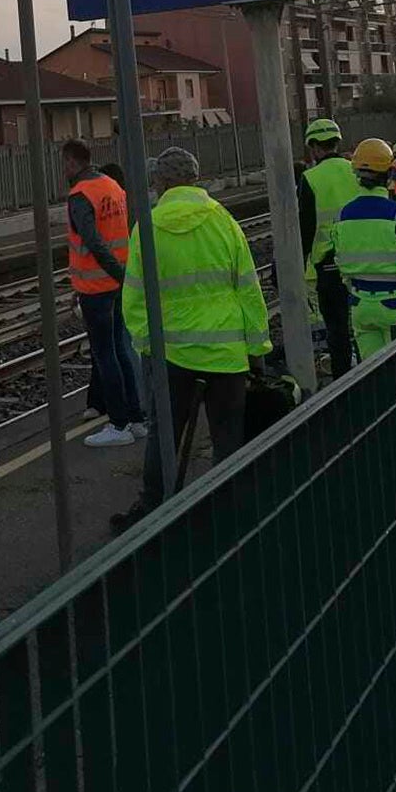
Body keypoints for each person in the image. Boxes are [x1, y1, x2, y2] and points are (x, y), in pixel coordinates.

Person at [112, 146, 270, 534]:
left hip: (172, 354)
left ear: (161, 182)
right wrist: (257, 349)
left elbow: (133, 297)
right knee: (227, 437)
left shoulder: (148, 227)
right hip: (227, 353)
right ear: (196, 178)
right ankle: (229, 516)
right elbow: (248, 289)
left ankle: (154, 508)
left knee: (165, 435)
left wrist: (149, 346)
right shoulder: (224, 221)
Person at [62, 139, 145, 447]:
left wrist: (115, 273)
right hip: (118, 284)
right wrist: (124, 276)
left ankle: (118, 424)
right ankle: (136, 420)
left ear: (72, 162)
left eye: (64, 163)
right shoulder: (112, 186)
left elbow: (93, 241)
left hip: (97, 288)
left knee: (105, 354)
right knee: (121, 350)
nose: (63, 169)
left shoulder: (80, 195)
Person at [330, 138, 396, 359]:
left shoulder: (341, 217)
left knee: (372, 371)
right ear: (389, 173)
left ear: (357, 174)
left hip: (360, 304)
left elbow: (340, 262)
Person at [297, 117, 362, 376]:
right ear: (336, 142)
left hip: (328, 266)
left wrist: (297, 262)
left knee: (337, 329)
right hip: (361, 256)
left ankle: (342, 377)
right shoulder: (355, 170)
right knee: (361, 323)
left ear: (314, 146)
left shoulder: (310, 178)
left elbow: (305, 227)